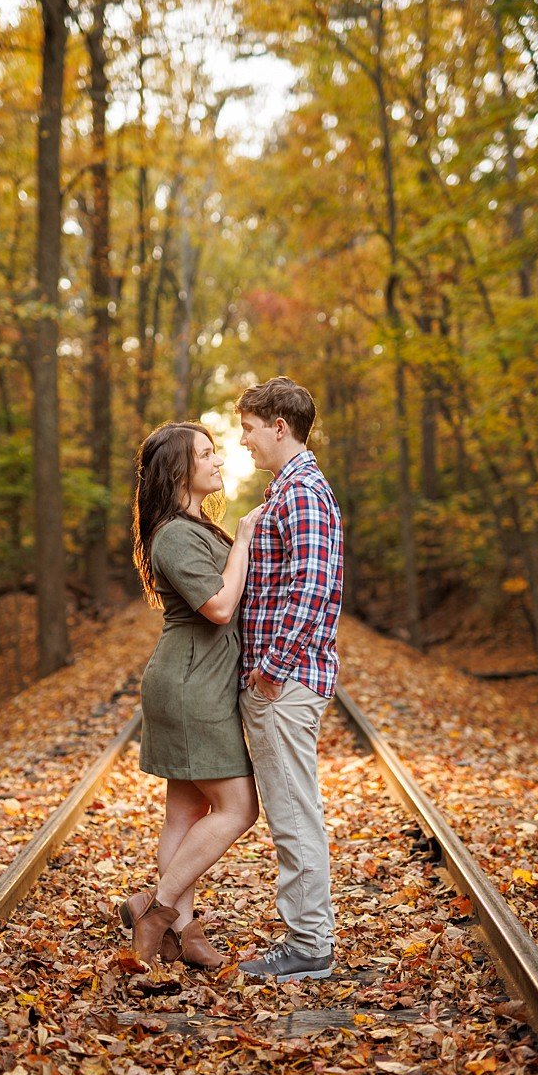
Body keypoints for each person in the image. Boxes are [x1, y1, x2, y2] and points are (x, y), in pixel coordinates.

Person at [123, 422, 262, 967]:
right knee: (239, 806)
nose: (218, 461)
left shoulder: (194, 525)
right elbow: (220, 607)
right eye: (206, 454)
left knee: (185, 812)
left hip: (197, 679)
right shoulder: (177, 535)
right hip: (190, 686)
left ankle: (183, 931)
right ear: (179, 470)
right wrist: (246, 541)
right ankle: (155, 908)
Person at [234, 376, 345, 981]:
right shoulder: (289, 490)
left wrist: (270, 670)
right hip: (285, 679)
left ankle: (309, 945)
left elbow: (314, 585)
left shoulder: (301, 492)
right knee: (290, 808)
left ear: (280, 426)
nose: (245, 440)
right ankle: (308, 936)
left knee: (294, 812)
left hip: (286, 681)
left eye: (250, 427)